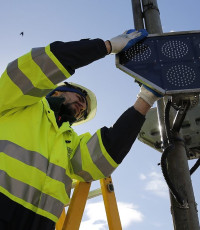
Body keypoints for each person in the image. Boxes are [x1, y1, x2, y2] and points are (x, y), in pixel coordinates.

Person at [0, 29, 162, 230]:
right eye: (79, 96)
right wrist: (106, 46)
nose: (82, 105)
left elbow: (104, 155)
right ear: (56, 91)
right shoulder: (17, 103)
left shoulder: (68, 142)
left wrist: (145, 98)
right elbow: (39, 67)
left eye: (84, 108)